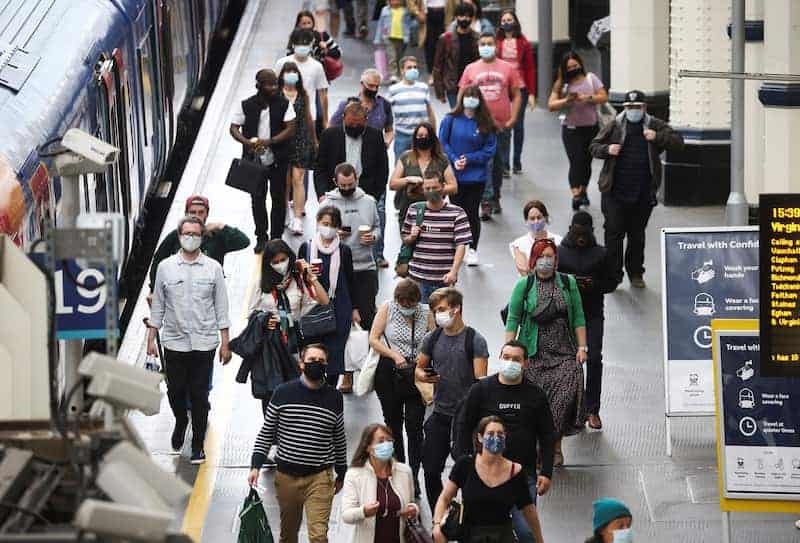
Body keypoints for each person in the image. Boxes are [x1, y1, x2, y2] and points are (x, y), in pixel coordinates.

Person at [148, 215, 232, 465]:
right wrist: (151, 339)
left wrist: (225, 342)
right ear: (179, 235)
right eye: (187, 234)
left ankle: (197, 445)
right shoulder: (165, 267)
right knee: (175, 391)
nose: (191, 238)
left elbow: (221, 306)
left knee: (199, 395)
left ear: (202, 237)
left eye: (196, 234)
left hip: (204, 342)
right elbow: (159, 306)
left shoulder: (213, 268)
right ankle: (181, 421)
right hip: (174, 342)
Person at [247, 343, 346, 543]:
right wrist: (255, 465)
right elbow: (267, 433)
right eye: (311, 361)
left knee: (319, 537)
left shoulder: (334, 398)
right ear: (301, 364)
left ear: (326, 365)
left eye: (321, 361)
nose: (316, 364)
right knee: (288, 535)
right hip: (286, 478)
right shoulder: (283, 393)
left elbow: (339, 436)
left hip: (320, 477)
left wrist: (342, 471)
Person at [461, 341, 555, 543]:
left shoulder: (535, 395)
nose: (510, 362)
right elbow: (463, 425)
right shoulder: (481, 390)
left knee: (526, 532)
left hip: (523, 475)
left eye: (516, 359)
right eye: (506, 357)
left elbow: (548, 435)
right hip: (485, 475)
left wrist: (546, 472)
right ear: (500, 358)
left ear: (526, 363)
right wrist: (464, 461)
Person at [504, 238, 587, 468]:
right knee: (538, 404)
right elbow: (513, 318)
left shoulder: (567, 283)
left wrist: (582, 347)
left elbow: (579, 316)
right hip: (535, 354)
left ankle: (554, 446)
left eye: (550, 256)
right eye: (541, 256)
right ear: (533, 259)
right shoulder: (525, 285)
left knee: (562, 401)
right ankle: (542, 446)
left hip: (563, 353)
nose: (545, 261)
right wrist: (508, 350)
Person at [589, 89, 684, 289]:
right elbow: (594, 146)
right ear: (624, 108)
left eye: (637, 107)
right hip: (614, 191)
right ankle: (613, 275)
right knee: (613, 234)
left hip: (642, 192)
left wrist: (657, 137)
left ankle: (635, 273)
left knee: (637, 234)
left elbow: (678, 142)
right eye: (630, 107)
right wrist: (607, 150)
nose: (633, 110)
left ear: (644, 108)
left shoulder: (653, 125)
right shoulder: (614, 125)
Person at [414, 287, 488, 513]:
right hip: (439, 413)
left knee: (466, 467)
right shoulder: (432, 338)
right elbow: (418, 369)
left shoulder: (475, 340)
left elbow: (481, 381)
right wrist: (424, 374)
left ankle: (468, 514)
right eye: (436, 310)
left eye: (442, 309)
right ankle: (441, 514)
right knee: (430, 469)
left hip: (466, 418)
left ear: (457, 309)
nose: (438, 315)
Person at [369, 279, 435, 497]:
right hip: (389, 372)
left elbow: (434, 341)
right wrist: (394, 355)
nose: (406, 305)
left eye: (410, 302)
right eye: (402, 302)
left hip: (416, 373)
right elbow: (374, 339)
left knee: (415, 427)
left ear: (418, 300)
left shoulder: (426, 312)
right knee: (393, 424)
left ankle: (413, 475)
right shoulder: (388, 308)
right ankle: (398, 472)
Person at [431, 416, 545, 543]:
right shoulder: (465, 465)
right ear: (480, 437)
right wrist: (436, 525)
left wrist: (539, 540)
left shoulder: (515, 472)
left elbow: (529, 511)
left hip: (502, 537)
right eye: (490, 433)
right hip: (470, 536)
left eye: (500, 434)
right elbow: (445, 498)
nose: (496, 438)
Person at [557, 212, 617, 430]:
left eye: (585, 233)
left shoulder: (601, 254)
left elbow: (613, 281)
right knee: (567, 361)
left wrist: (594, 285)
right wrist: (570, 283)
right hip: (566, 314)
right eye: (577, 233)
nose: (580, 238)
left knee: (593, 359)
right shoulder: (560, 253)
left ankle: (592, 409)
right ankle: (572, 408)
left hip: (592, 313)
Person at [329, 74, 394, 266]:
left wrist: (386, 142)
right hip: (349, 169)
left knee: (377, 212)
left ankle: (378, 253)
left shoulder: (384, 106)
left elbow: (389, 129)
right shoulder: (347, 105)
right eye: (370, 85)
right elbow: (332, 128)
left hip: (371, 169)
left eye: (377, 86)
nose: (373, 89)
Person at [229, 69, 296, 253]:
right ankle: (261, 237)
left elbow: (290, 128)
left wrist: (271, 141)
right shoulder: (246, 104)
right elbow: (234, 128)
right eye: (269, 84)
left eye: (275, 84)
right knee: (257, 199)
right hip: (254, 160)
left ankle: (276, 237)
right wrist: (247, 142)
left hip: (277, 159)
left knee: (278, 199)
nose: (273, 88)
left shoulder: (284, 104)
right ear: (259, 85)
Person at [458, 32, 522, 216]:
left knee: (499, 163)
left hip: (502, 125)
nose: (486, 46)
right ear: (478, 46)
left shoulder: (508, 68)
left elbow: (517, 94)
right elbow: (462, 93)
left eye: (489, 43)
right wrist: (460, 118)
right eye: (483, 43)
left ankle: (495, 197)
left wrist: (513, 118)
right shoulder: (471, 69)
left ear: (496, 46)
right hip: (478, 125)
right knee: (485, 162)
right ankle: (485, 199)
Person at [299, 206, 359, 391]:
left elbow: (350, 280)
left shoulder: (344, 251)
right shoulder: (306, 248)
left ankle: (329, 389)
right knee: (313, 349)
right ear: (317, 223)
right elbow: (298, 279)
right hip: (313, 307)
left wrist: (354, 309)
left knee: (334, 354)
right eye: (325, 223)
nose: (328, 228)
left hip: (338, 307)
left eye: (332, 225)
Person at [248, 240, 330, 373]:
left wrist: (311, 277)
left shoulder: (298, 279)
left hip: (295, 337)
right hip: (271, 339)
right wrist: (264, 320)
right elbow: (251, 312)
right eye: (275, 262)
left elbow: (324, 301)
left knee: (295, 377)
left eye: (283, 259)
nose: (280, 264)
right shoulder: (261, 282)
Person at [439, 87, 496, 261]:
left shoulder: (485, 123)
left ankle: (472, 248)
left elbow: (489, 150)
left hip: (476, 177)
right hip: (454, 176)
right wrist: (455, 159)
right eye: (468, 96)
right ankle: (458, 246)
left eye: (474, 96)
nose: (471, 99)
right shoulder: (451, 119)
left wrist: (469, 159)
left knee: (471, 213)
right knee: (456, 212)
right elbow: (443, 142)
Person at [148, 195, 249, 292]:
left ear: (206, 214)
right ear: (186, 213)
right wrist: (154, 289)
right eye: (193, 212)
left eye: (201, 212)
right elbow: (158, 259)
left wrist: (221, 226)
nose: (197, 216)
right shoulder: (176, 235)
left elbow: (244, 241)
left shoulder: (216, 236)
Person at [547, 51, 608, 211]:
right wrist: (566, 100)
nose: (573, 69)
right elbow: (551, 105)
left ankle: (583, 191)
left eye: (575, 65)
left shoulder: (591, 79)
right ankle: (576, 195)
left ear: (580, 64)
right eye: (569, 67)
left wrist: (588, 98)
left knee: (586, 162)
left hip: (591, 127)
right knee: (576, 161)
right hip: (571, 128)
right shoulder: (562, 84)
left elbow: (603, 96)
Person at [323, 163, 381, 331]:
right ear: (335, 182)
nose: (347, 188)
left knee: (367, 315)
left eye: (350, 184)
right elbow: (319, 235)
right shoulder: (327, 205)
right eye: (343, 186)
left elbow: (378, 227)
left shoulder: (369, 202)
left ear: (357, 180)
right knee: (340, 315)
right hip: (338, 267)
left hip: (365, 266)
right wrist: (332, 235)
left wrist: (374, 237)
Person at [341, 424, 420, 543]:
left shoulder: (404, 472)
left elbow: (411, 502)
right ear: (368, 448)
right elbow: (346, 515)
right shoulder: (354, 475)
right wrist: (364, 512)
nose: (386, 445)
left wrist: (413, 509)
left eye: (389, 441)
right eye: (381, 441)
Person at [400, 172, 471, 301]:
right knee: (420, 319)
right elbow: (405, 239)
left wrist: (453, 272)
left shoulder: (457, 213)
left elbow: (461, 245)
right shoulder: (414, 209)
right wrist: (412, 236)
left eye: (435, 188)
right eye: (427, 188)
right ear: (423, 189)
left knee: (444, 320)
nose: (431, 191)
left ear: (443, 187)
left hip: (444, 280)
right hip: (417, 279)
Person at [316, 101, 390, 210]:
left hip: (367, 195)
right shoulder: (329, 135)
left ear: (366, 120)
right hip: (334, 195)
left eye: (358, 124)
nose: (354, 127)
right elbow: (320, 168)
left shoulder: (376, 136)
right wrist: (322, 195)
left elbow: (382, 169)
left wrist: (375, 196)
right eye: (351, 124)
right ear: (343, 118)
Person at [389, 121, 457, 232]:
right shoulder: (406, 157)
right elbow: (392, 184)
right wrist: (407, 179)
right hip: (409, 212)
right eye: (420, 136)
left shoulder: (442, 159)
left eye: (426, 136)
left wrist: (433, 190)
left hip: (434, 212)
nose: (423, 138)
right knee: (408, 246)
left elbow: (453, 187)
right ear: (415, 138)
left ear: (432, 138)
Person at [278, 62, 318, 236]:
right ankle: (285, 211)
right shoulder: (277, 94)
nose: (291, 75)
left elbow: (308, 116)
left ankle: (297, 218)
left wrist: (314, 139)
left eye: (294, 72)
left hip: (301, 140)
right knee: (284, 180)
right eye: (288, 72)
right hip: (282, 141)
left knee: (298, 179)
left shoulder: (303, 94)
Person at [496, 9, 536, 175]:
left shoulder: (523, 42)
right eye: (504, 20)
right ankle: (504, 163)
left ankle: (517, 160)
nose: (506, 22)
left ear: (515, 21)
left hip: (520, 87)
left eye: (509, 19)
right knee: (505, 126)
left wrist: (532, 93)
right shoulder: (496, 41)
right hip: (503, 87)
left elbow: (529, 68)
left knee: (518, 125)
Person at [276, 29, 329, 133]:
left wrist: (325, 120)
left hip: (309, 116)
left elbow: (323, 95)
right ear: (293, 44)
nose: (302, 46)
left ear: (311, 44)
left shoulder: (317, 66)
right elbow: (275, 88)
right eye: (299, 43)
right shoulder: (282, 63)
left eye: (305, 43)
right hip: (284, 115)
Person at [388, 56, 437, 160]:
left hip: (422, 136)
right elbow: (386, 113)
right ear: (402, 70)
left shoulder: (423, 88)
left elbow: (430, 112)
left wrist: (433, 134)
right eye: (409, 67)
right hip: (402, 137)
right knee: (401, 168)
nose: (413, 70)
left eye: (415, 67)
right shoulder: (393, 90)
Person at [432, 3, 479, 108]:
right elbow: (437, 66)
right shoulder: (445, 38)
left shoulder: (478, 38)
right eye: (461, 16)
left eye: (468, 16)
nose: (464, 19)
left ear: (472, 18)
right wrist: (440, 91)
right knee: (457, 114)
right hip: (453, 85)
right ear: (456, 17)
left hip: (473, 84)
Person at [509, 200, 562, 276]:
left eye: (539, 217)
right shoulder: (518, 244)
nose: (536, 221)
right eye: (532, 218)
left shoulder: (558, 241)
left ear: (545, 218)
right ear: (526, 221)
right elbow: (524, 271)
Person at [373, 0, 413, 82]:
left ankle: (399, 74)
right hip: (388, 36)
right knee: (392, 56)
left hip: (402, 37)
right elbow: (380, 24)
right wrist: (377, 38)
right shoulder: (385, 10)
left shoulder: (406, 11)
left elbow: (411, 23)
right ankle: (393, 75)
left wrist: (410, 35)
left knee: (400, 57)